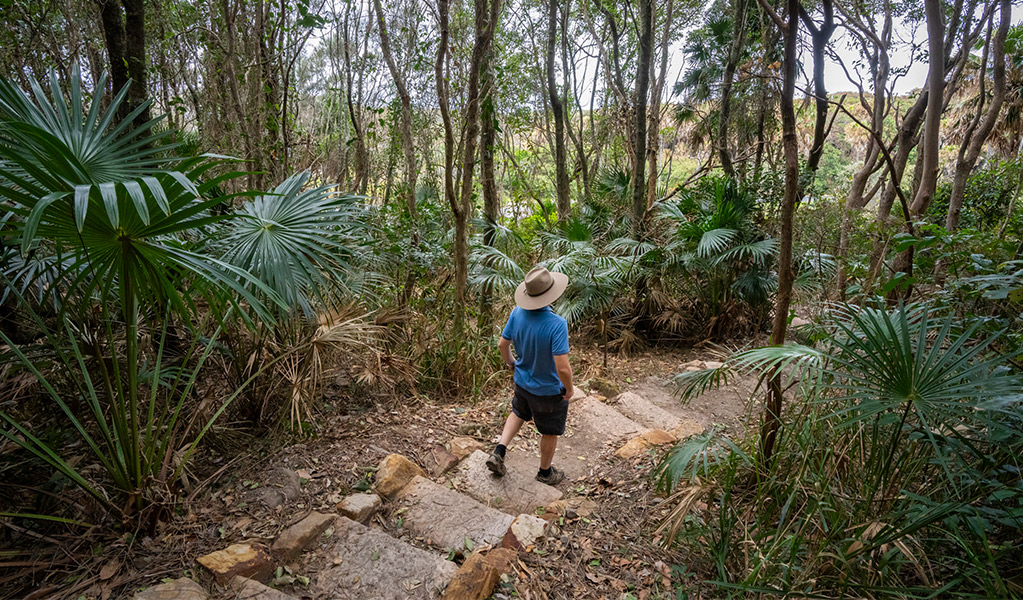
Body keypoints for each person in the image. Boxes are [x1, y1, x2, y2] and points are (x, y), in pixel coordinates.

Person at [486, 265, 574, 485]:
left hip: (522, 383)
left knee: (518, 412)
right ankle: (545, 473)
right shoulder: (557, 324)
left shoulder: (517, 312)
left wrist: (511, 363)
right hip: (548, 392)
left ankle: (499, 451)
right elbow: (562, 367)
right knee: (550, 431)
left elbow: (502, 344)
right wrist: (570, 388)